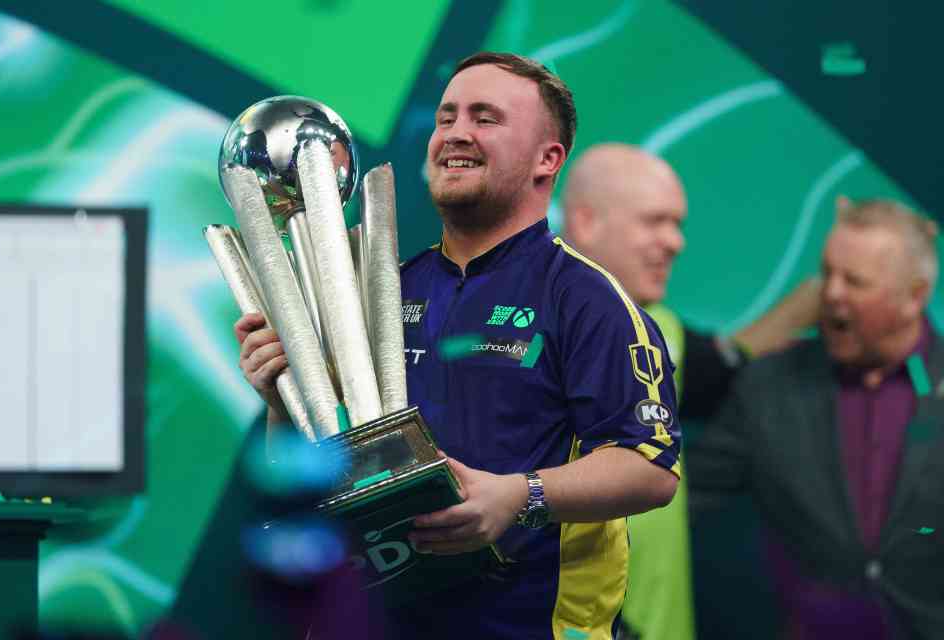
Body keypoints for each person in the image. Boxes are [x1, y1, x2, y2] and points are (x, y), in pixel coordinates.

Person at [235, 53, 681, 640]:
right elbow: (314, 470)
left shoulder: (586, 299)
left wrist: (517, 496)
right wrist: (281, 396)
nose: (456, 134)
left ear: (548, 159)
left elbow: (649, 467)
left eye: (485, 118)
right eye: (447, 118)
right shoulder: (381, 290)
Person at [561, 143, 820, 640]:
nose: (675, 242)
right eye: (654, 222)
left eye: (677, 224)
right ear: (587, 222)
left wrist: (819, 293)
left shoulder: (662, 330)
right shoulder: (513, 338)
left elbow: (732, 356)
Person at [688, 198, 944, 639]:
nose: (831, 294)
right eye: (829, 273)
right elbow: (672, 492)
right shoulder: (769, 388)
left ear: (915, 296)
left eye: (855, 282)